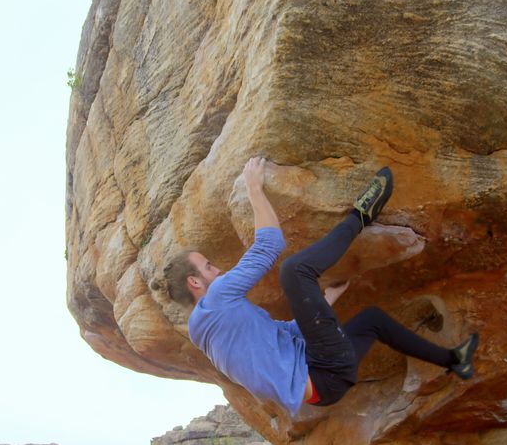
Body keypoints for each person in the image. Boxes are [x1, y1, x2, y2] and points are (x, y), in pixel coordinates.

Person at [163, 157, 478, 415]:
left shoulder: (207, 334)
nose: (216, 269)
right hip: (321, 369)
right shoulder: (217, 299)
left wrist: (326, 300)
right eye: (208, 266)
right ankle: (361, 217)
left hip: (327, 389)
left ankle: (455, 360)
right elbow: (269, 245)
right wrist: (254, 189)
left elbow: (286, 334)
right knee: (293, 270)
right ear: (195, 282)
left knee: (372, 321)